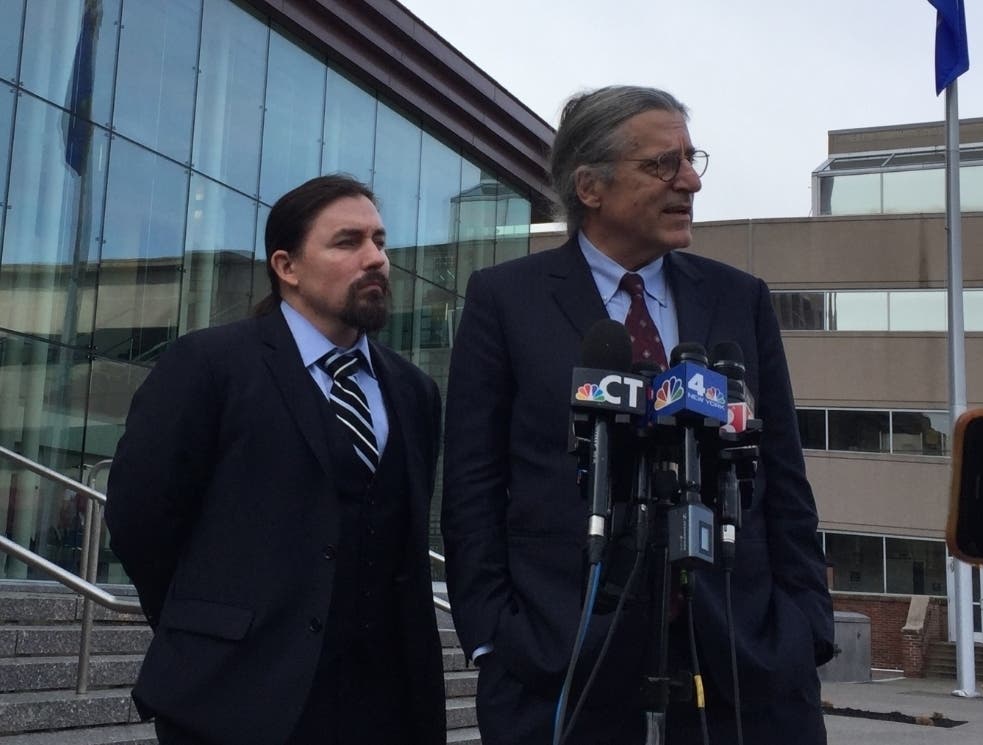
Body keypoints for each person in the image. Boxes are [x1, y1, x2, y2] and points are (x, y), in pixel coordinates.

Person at [442, 86, 834, 745]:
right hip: (559, 660)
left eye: (690, 157)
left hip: (742, 661)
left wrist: (806, 627)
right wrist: (493, 638)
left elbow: (784, 478)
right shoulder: (504, 301)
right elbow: (471, 489)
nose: (691, 180)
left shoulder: (739, 299)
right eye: (662, 164)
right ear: (589, 186)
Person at [105, 175, 446, 745]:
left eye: (380, 242)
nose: (376, 260)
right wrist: (212, 629)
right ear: (286, 267)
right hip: (236, 696)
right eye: (348, 242)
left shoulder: (413, 390)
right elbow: (141, 521)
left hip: (383, 704)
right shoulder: (209, 365)